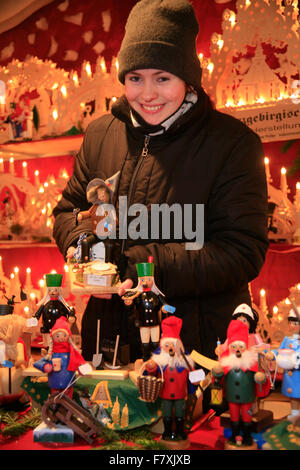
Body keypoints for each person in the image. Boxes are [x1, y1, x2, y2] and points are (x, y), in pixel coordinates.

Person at [53, 0, 268, 368]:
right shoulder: (101, 136)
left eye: (162, 78)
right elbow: (68, 211)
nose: (147, 94)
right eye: (136, 78)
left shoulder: (232, 144)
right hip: (108, 343)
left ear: (188, 78)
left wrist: (141, 266)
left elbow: (241, 251)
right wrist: (83, 246)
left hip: (192, 348)